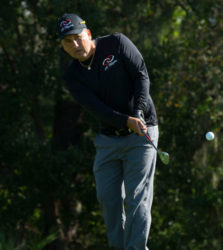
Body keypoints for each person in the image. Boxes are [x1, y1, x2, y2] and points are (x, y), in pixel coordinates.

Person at [57, 13, 158, 250]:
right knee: (108, 199)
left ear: (88, 34)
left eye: (77, 38)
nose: (74, 45)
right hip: (109, 139)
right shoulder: (73, 76)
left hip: (141, 136)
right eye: (67, 42)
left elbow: (141, 75)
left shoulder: (117, 43)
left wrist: (139, 112)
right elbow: (97, 109)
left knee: (137, 200)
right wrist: (125, 121)